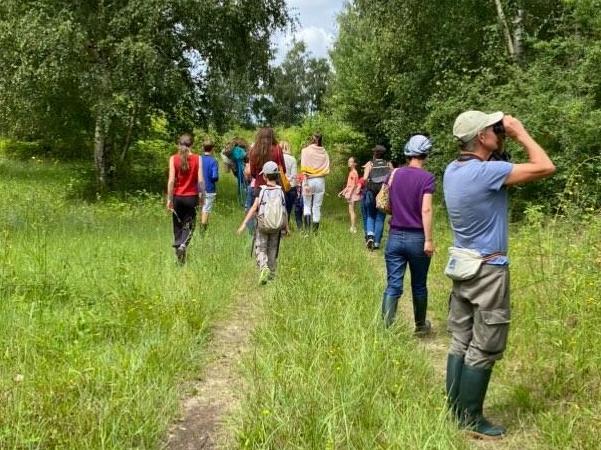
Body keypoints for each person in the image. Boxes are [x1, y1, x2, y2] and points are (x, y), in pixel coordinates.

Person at [444, 111, 555, 439]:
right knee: (486, 344)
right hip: (489, 271)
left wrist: (500, 141)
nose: (500, 132)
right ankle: (472, 419)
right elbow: (546, 165)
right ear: (481, 137)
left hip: (462, 266)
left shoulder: (452, 170)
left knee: (460, 339)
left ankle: (455, 410)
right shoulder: (487, 172)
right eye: (494, 130)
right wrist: (519, 132)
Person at [381, 135, 435, 335]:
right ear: (425, 154)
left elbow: (389, 202)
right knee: (419, 284)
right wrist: (428, 240)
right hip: (417, 238)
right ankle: (421, 327)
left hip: (395, 236)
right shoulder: (427, 178)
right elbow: (426, 210)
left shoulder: (394, 174)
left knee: (393, 285)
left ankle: (386, 329)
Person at [237, 161, 289, 284]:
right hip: (276, 226)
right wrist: (286, 227)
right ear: (277, 176)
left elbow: (254, 208)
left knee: (261, 247)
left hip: (263, 226)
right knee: (273, 248)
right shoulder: (281, 191)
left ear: (264, 176)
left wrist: (244, 224)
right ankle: (271, 274)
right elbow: (284, 211)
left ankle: (263, 267)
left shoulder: (261, 191)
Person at [166, 133, 205, 264]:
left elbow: (171, 181)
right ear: (191, 145)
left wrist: (169, 199)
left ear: (178, 144)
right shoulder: (197, 158)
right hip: (191, 198)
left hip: (177, 198)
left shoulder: (173, 159)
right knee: (189, 225)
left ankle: (180, 252)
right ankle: (183, 246)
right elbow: (200, 181)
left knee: (177, 226)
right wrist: (202, 197)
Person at [362, 145, 391, 250]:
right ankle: (377, 242)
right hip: (382, 193)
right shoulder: (388, 164)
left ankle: (370, 236)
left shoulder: (370, 164)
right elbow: (391, 179)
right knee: (380, 217)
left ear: (375, 154)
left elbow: (365, 178)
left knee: (370, 215)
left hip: (370, 192)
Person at [300, 133, 330, 232]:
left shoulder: (305, 151)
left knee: (307, 205)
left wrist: (305, 181)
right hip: (320, 180)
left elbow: (303, 168)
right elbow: (327, 168)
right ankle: (315, 232)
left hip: (308, 179)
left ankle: (307, 232)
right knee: (317, 206)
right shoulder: (324, 152)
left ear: (311, 139)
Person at [338, 157, 362, 233]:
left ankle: (353, 227)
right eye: (348, 161)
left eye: (351, 162)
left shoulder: (353, 173)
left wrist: (349, 194)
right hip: (351, 193)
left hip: (352, 194)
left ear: (355, 164)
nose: (349, 163)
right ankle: (353, 226)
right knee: (351, 210)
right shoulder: (352, 172)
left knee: (351, 211)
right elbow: (349, 185)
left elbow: (354, 185)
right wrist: (342, 191)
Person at [200, 139, 219, 233]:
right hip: (209, 189)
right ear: (212, 149)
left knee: (200, 209)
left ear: (203, 148)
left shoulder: (198, 159)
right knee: (206, 210)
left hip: (197, 188)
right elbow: (214, 176)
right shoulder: (213, 161)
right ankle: (202, 232)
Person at [280, 141, 298, 230]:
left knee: (280, 208)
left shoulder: (277, 159)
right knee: (288, 209)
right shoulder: (292, 159)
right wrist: (288, 180)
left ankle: (280, 227)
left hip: (280, 186)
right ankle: (286, 228)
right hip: (291, 186)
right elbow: (294, 175)